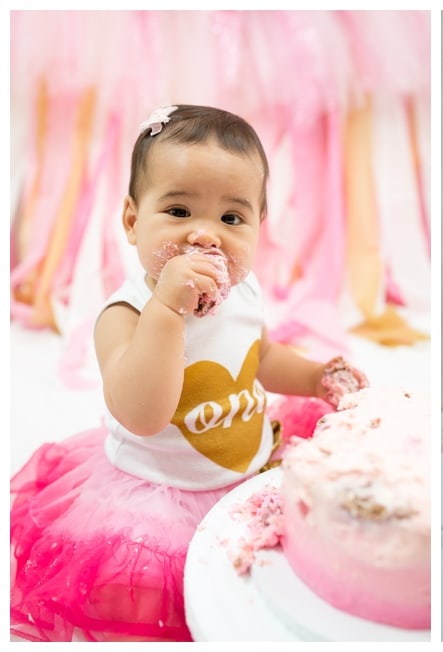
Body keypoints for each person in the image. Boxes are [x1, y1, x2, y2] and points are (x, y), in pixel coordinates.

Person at [10, 104, 368, 642]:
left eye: (231, 219)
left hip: (248, 471)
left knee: (271, 589)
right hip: (161, 498)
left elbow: (260, 357)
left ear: (257, 228)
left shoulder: (242, 293)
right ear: (133, 221)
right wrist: (167, 310)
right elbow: (142, 414)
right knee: (176, 599)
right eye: (178, 211)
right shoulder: (126, 315)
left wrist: (315, 377)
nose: (206, 236)